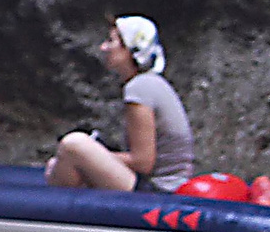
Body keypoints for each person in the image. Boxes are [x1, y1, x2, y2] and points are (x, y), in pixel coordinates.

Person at [45, 15, 196, 192]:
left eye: (111, 41)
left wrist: (92, 157)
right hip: (157, 184)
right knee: (66, 159)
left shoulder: (139, 87)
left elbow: (143, 162)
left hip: (158, 189)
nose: (103, 47)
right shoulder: (148, 83)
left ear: (130, 50)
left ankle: (50, 208)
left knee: (73, 145)